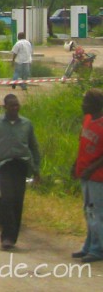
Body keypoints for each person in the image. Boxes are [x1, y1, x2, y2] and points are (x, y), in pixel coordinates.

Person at [0, 94, 41, 250]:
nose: (15, 108)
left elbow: (34, 147)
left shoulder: (26, 124)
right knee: (7, 199)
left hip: (21, 165)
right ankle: (6, 236)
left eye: (17, 105)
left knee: (17, 201)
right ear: (5, 107)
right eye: (12, 106)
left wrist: (36, 170)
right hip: (4, 165)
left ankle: (12, 237)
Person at [73, 88, 103, 264]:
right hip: (84, 174)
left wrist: (91, 169)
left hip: (97, 177)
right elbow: (82, 144)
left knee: (96, 213)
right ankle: (88, 246)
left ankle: (97, 249)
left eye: (86, 102)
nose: (83, 105)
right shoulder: (87, 120)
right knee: (88, 212)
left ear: (96, 104)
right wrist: (75, 164)